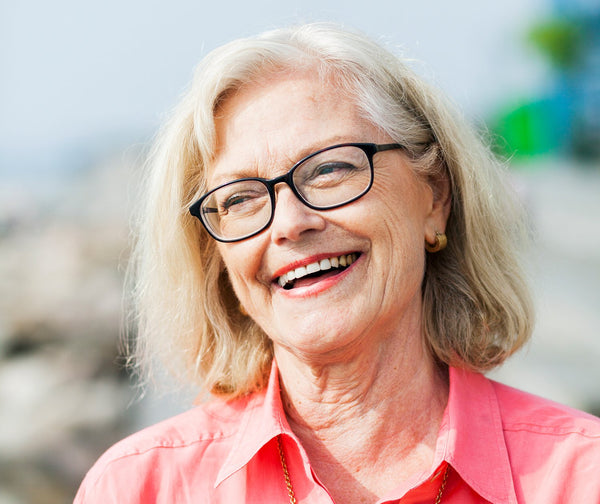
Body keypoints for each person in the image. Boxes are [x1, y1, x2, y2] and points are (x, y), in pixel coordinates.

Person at [74, 23, 600, 503]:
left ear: (435, 195)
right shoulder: (138, 487)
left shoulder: (579, 478)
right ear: (216, 257)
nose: (288, 224)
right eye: (239, 199)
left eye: (330, 169)